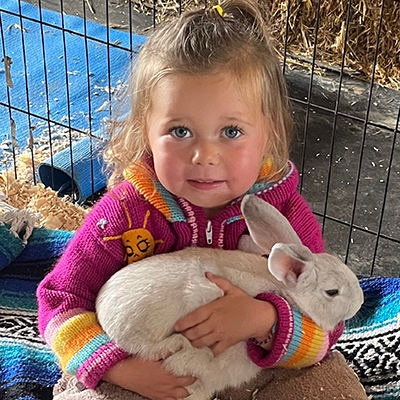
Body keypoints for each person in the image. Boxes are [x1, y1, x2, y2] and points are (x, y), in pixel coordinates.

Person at [37, 1, 367, 399]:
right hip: (152, 366)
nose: (204, 156)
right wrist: (120, 369)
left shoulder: (284, 212)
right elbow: (60, 298)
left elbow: (330, 320)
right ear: (145, 130)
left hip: (251, 366)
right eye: (180, 131)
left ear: (269, 132)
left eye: (230, 131)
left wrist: (264, 319)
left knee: (328, 387)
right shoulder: (122, 214)